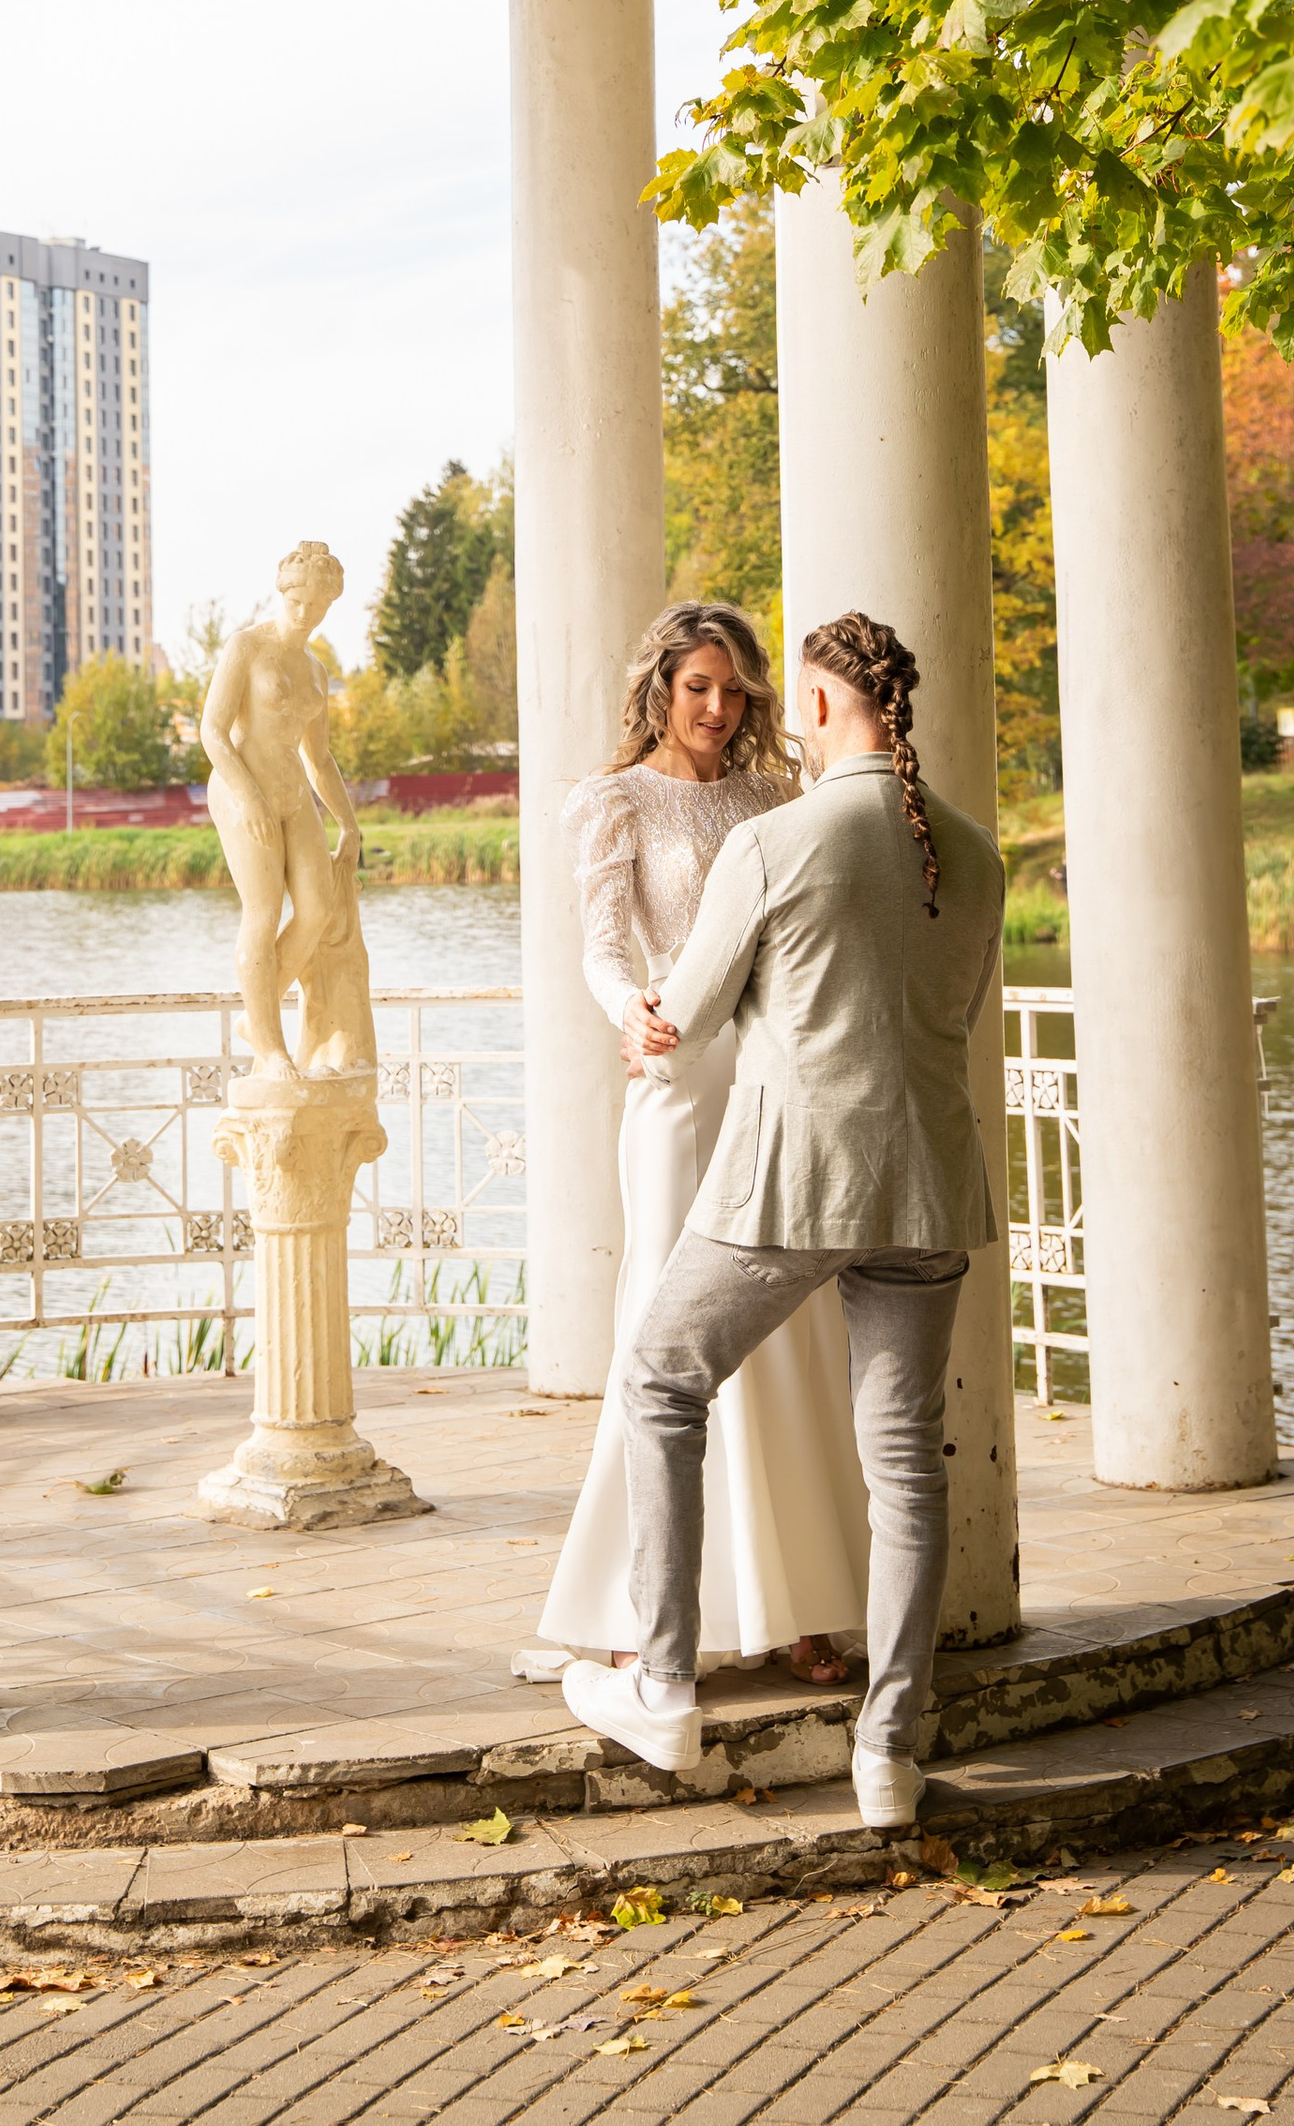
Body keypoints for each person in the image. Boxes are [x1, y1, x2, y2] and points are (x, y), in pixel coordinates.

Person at [560, 610, 1003, 1835]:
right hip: (929, 1187)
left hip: (793, 1183)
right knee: (907, 1463)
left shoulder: (770, 835)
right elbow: (956, 1011)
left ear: (808, 707)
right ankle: (888, 1754)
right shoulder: (969, 849)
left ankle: (659, 1683)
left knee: (658, 1374)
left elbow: (689, 1014)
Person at [534, 601, 871, 1691]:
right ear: (660, 689)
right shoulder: (612, 801)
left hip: (773, 1080)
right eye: (698, 689)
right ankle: (642, 1602)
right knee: (664, 1329)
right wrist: (628, 1007)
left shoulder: (778, 795)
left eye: (734, 691)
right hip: (678, 1081)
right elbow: (595, 947)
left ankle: (804, 1606)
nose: (719, 710)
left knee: (789, 1328)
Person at [200, 540, 375, 1078]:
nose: (306, 613)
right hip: (240, 790)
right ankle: (272, 1050)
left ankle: (259, 1014)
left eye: (318, 605)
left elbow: (319, 758)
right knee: (263, 911)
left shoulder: (316, 671)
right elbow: (212, 730)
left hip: (294, 791)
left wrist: (348, 823)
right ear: (283, 593)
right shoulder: (246, 648)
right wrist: (247, 794)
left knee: (319, 909)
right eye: (298, 601)